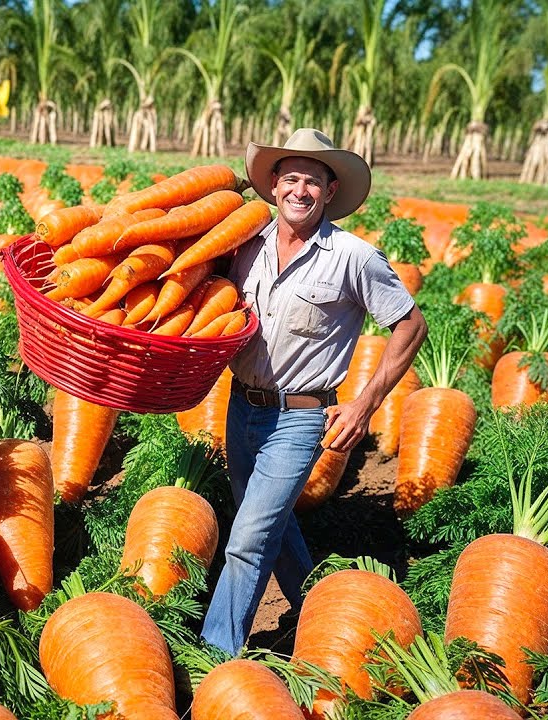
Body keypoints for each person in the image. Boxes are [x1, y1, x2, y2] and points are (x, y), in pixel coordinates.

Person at [200, 128, 427, 655]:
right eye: (292, 179)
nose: (300, 191)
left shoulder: (355, 257)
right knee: (269, 527)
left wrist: (365, 402)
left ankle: (214, 655)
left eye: (313, 182)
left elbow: (410, 326)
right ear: (274, 185)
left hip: (301, 419)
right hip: (242, 408)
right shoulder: (244, 246)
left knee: (248, 539)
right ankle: (315, 609)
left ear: (328, 193)